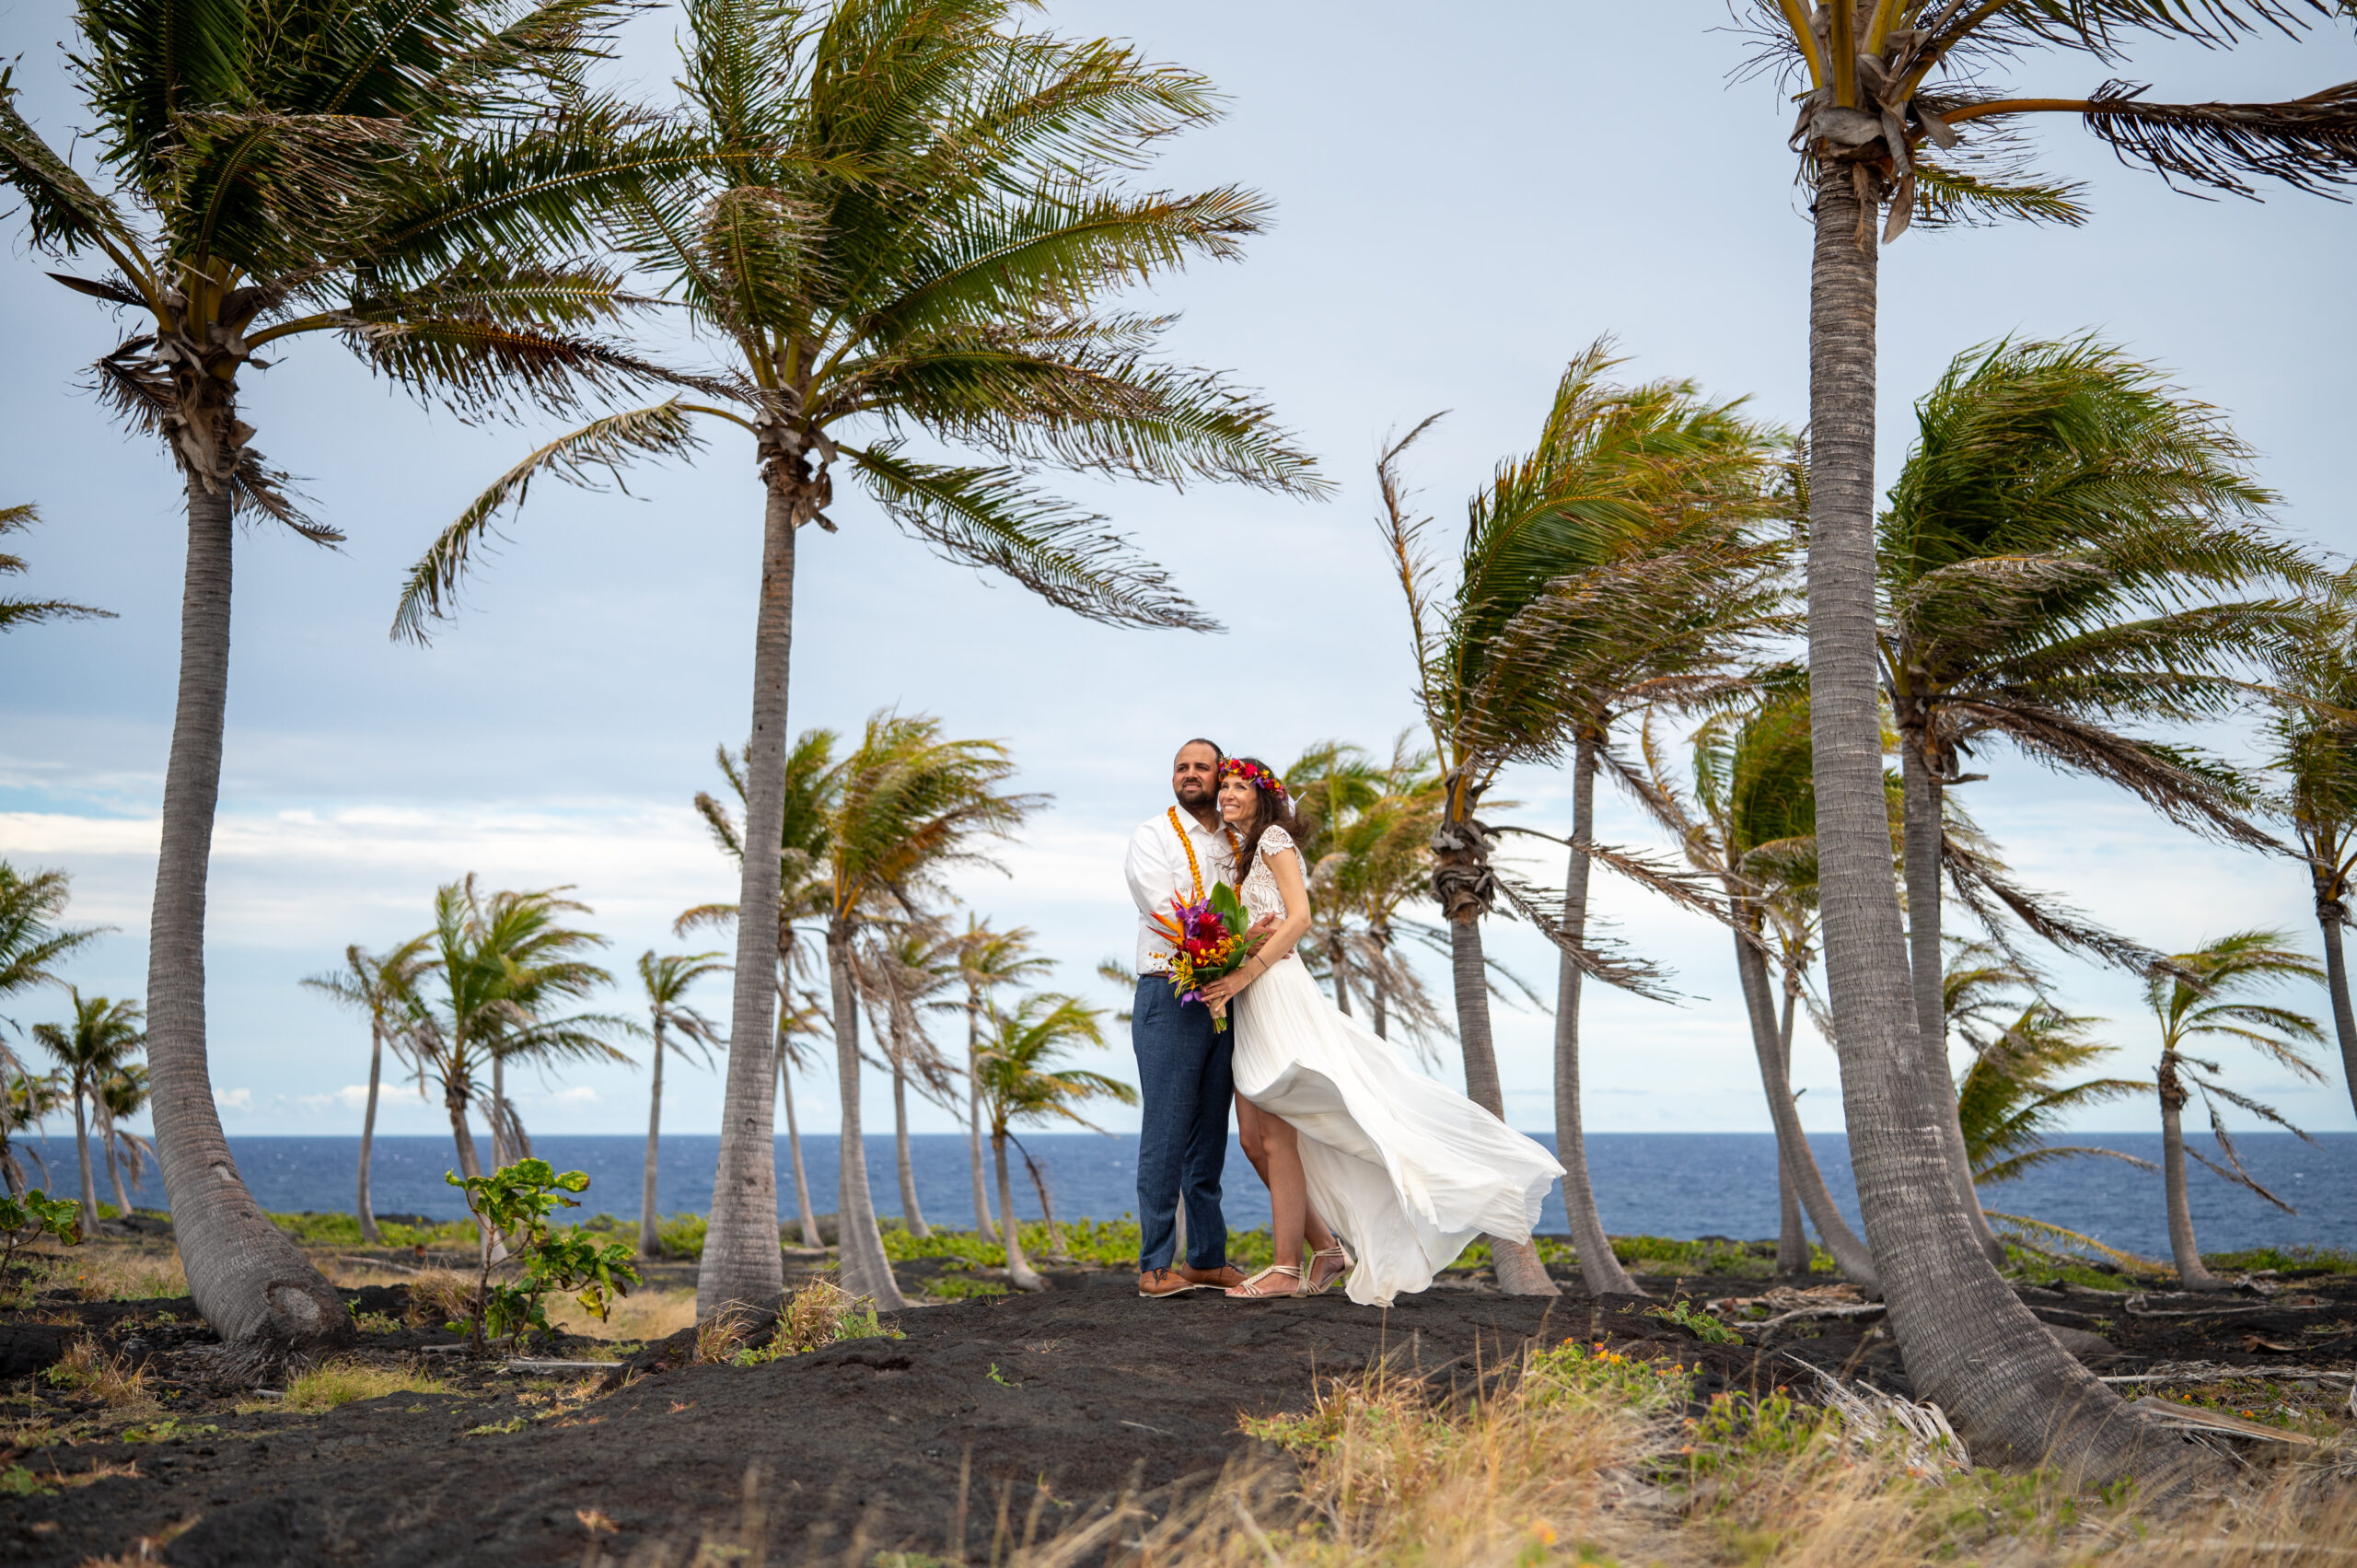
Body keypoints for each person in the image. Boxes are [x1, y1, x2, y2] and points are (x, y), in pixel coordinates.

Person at [1196, 756, 1566, 1304]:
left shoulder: (1273, 838)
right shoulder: (1240, 854)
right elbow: (1253, 924)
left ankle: (1284, 1267)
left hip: (1275, 993)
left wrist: (1247, 967)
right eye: (1222, 786)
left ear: (1263, 796)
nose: (1226, 793)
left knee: (1275, 1136)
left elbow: (1299, 917)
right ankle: (1326, 1251)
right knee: (1253, 1141)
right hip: (1248, 998)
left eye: (1237, 786)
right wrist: (1232, 952)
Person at [1121, 738, 1257, 1298]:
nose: (1191, 774)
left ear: (1221, 774)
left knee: (1209, 1135)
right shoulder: (1152, 835)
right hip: (1169, 990)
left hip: (1227, 995)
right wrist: (1221, 950)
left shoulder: (1239, 839)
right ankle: (1155, 1263)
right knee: (1166, 1130)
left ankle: (1205, 1257)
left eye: (1202, 766)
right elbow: (1161, 907)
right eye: (1182, 767)